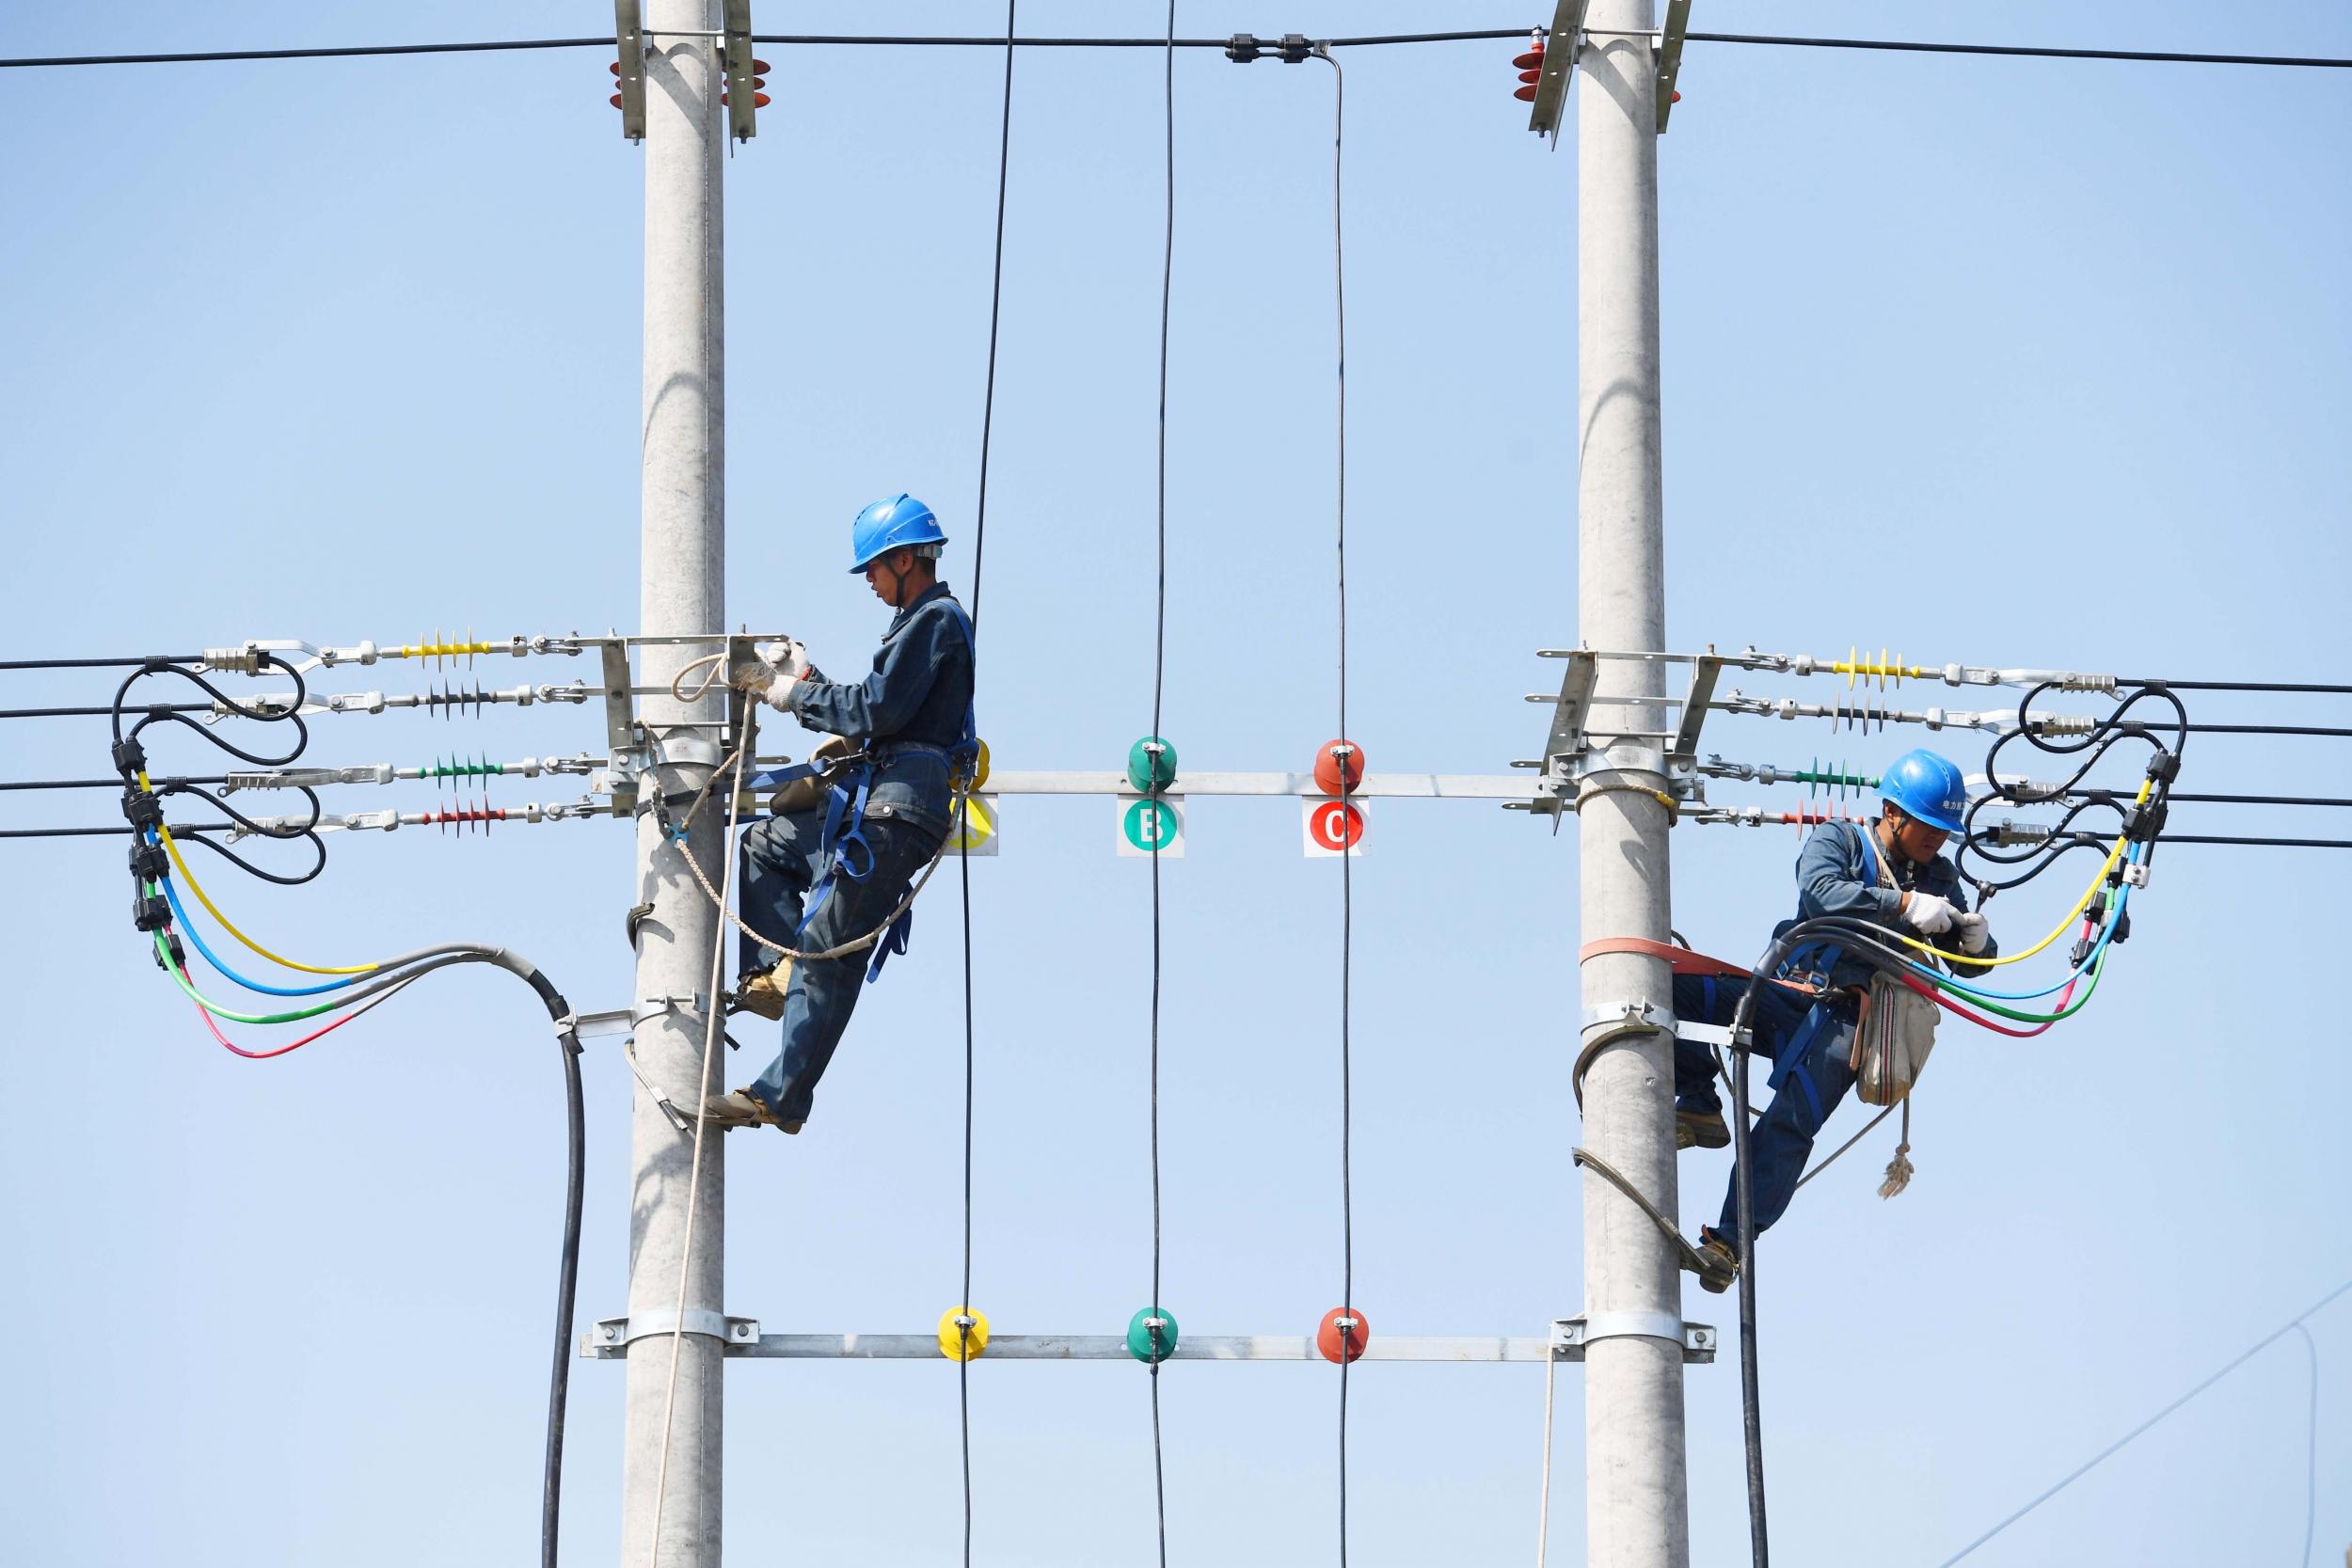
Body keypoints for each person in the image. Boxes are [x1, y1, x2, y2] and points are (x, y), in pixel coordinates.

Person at [1670, 748, 1994, 1291]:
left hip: (1854, 1022)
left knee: (1791, 1123)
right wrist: (1901, 904)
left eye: (1945, 829)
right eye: (1929, 826)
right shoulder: (1841, 840)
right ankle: (1700, 1103)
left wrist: (1975, 942)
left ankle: (1729, 1243)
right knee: (1681, 987)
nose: (1939, 839)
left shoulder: (1940, 877)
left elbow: (1973, 962)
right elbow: (1821, 892)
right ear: (1894, 813)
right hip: (1790, 995)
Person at [702, 493, 977, 1134]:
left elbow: (879, 708)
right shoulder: (917, 626)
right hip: (877, 803)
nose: (872, 584)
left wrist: (795, 694)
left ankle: (782, 1094)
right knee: (766, 844)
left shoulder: (935, 620)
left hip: (898, 811)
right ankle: (771, 974)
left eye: (876, 570)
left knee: (827, 947)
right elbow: (883, 709)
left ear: (906, 559)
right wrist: (811, 678)